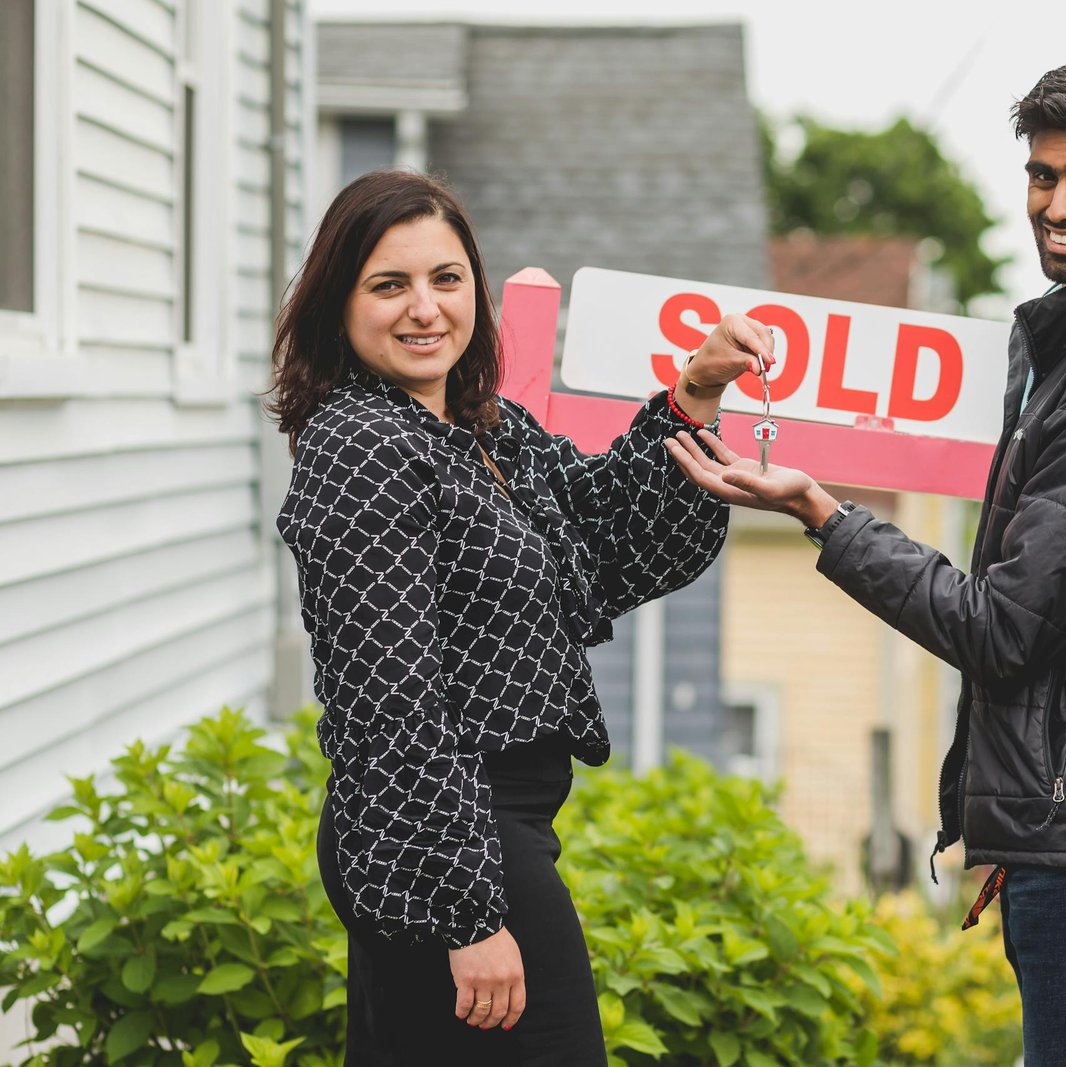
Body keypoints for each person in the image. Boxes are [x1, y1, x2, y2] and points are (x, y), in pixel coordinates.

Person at [667, 54, 1066, 1067]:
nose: (1057, 204)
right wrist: (1024, 825)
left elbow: (1002, 628)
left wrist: (820, 509)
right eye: (1041, 175)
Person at [270, 169, 770, 1065]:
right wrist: (470, 912)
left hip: (480, 832)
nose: (425, 308)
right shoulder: (363, 447)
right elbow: (391, 712)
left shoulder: (483, 428)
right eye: (390, 285)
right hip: (450, 839)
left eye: (447, 279)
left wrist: (694, 389)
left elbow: (609, 526)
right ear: (337, 306)